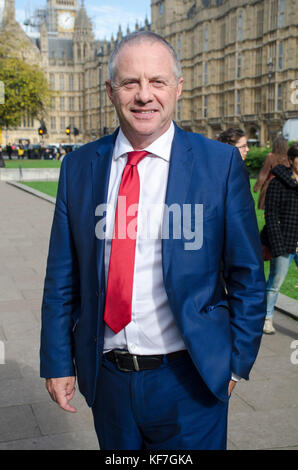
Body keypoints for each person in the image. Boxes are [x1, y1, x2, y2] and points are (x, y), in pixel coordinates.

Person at [40, 31, 266, 450]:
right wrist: (57, 362)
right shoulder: (78, 168)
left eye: (157, 82)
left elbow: (248, 276)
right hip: (107, 380)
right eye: (130, 83)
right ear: (110, 91)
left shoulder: (219, 165)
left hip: (192, 381)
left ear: (177, 88)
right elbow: (61, 280)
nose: (144, 95)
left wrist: (235, 365)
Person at [261, 143, 298, 335]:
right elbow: (271, 215)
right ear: (292, 161)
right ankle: (267, 318)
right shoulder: (278, 183)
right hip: (284, 241)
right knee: (275, 283)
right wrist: (277, 244)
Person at [253, 135, 289, 210]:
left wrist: (256, 187)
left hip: (271, 188)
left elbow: (263, 174)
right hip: (286, 187)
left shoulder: (271, 156)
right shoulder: (289, 158)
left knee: (270, 213)